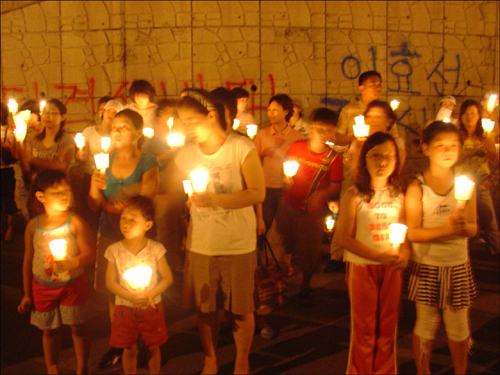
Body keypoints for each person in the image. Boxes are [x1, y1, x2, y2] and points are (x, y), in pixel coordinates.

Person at [175, 89, 265, 375]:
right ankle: (211, 359)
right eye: (182, 122)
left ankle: (242, 359)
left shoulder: (240, 147)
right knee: (206, 308)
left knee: (241, 308)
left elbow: (257, 193)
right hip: (202, 242)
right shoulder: (185, 154)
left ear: (211, 116)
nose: (186, 128)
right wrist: (191, 200)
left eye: (191, 121)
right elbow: (182, 192)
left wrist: (217, 200)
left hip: (238, 242)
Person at [88, 108, 160, 368]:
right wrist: (96, 188)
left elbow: (149, 192)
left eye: (124, 127)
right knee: (112, 291)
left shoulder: (147, 161)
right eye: (114, 126)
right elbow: (94, 204)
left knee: (142, 290)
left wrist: (126, 193)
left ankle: (144, 340)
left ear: (138, 132)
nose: (116, 131)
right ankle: (120, 342)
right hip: (109, 233)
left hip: (138, 239)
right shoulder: (102, 161)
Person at [405, 121, 478, 374]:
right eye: (440, 146)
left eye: (453, 146)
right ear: (425, 148)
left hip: (457, 265)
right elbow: (413, 232)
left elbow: (473, 228)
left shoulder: (465, 185)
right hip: (427, 265)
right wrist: (445, 230)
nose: (448, 151)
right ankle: (423, 370)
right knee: (425, 324)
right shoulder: (417, 187)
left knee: (458, 326)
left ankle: (461, 370)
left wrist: (463, 227)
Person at [335, 132, 409, 374]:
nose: (382, 162)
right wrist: (377, 257)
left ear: (397, 161)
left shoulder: (399, 195)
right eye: (375, 156)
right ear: (364, 160)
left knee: (388, 326)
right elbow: (344, 238)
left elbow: (406, 232)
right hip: (362, 267)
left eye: (389, 156)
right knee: (364, 328)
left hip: (391, 268)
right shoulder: (354, 195)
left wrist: (404, 254)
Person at [17, 169, 95, 374]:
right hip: (42, 286)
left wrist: (72, 263)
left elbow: (90, 254)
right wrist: (27, 293)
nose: (64, 195)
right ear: (40, 196)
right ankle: (52, 369)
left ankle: (82, 367)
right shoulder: (33, 226)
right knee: (49, 330)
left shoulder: (75, 222)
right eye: (57, 192)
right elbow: (28, 259)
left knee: (78, 327)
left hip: (72, 285)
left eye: (67, 190)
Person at [274, 107, 342, 306]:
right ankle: (280, 284)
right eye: (320, 129)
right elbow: (283, 170)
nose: (323, 135)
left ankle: (305, 286)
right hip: (288, 204)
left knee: (309, 253)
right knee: (280, 246)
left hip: (311, 212)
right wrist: (285, 178)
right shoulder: (297, 147)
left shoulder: (333, 158)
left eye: (328, 131)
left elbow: (336, 184)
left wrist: (322, 194)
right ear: (312, 128)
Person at [105, 195, 173, 375]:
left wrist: (150, 294)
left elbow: (167, 278)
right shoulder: (114, 250)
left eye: (132, 220)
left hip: (152, 305)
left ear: (148, 225)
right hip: (125, 307)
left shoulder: (155, 249)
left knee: (152, 346)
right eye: (123, 219)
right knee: (129, 348)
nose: (126, 224)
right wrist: (131, 297)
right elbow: (110, 282)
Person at [142, 99, 186, 273]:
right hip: (161, 193)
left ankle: (176, 265)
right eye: (169, 113)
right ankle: (164, 270)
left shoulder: (181, 137)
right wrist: (163, 157)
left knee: (177, 232)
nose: (172, 117)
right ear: (159, 115)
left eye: (175, 114)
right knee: (164, 233)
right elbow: (145, 164)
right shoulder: (151, 142)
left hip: (178, 192)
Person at [73, 98, 123, 240]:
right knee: (89, 214)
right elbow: (83, 155)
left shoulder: (118, 135)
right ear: (102, 112)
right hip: (90, 176)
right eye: (108, 110)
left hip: (110, 178)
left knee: (108, 212)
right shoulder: (89, 131)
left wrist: (111, 155)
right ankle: (88, 243)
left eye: (115, 112)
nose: (110, 114)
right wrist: (80, 153)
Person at [454, 99, 499, 255]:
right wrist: (471, 153)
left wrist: (490, 148)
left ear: (479, 115)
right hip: (461, 184)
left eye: (473, 113)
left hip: (481, 182)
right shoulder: (456, 135)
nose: (469, 117)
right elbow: (454, 158)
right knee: (462, 220)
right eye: (466, 113)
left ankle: (495, 253)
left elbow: (494, 158)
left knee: (489, 218)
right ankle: (462, 254)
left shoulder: (486, 135)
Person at [18, 99, 76, 218]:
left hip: (56, 190)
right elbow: (26, 166)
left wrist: (33, 159)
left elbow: (61, 165)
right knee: (34, 220)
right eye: (44, 112)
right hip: (34, 188)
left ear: (63, 116)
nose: (46, 116)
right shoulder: (32, 139)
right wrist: (18, 142)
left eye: (52, 113)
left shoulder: (66, 140)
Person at [254, 94, 304, 233]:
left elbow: (301, 162)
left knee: (285, 229)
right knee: (263, 225)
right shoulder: (261, 135)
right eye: (269, 110)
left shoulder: (297, 136)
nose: (271, 113)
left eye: (275, 109)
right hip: (266, 187)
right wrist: (265, 152)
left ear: (286, 112)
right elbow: (254, 161)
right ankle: (260, 254)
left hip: (286, 188)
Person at [1, 102, 17, 242]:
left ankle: (10, 228)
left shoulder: (9, 131)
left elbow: (15, 152)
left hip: (5, 170)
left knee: (8, 201)